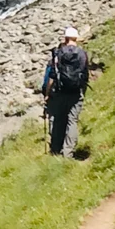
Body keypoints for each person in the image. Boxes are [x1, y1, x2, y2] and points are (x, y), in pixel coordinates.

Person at [43, 26, 89, 157]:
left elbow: (52, 76)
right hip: (76, 92)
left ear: (65, 38)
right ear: (76, 38)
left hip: (60, 92)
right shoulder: (82, 54)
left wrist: (47, 93)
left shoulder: (59, 53)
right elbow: (85, 75)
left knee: (59, 120)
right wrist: (83, 91)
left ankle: (56, 150)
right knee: (72, 121)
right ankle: (68, 153)